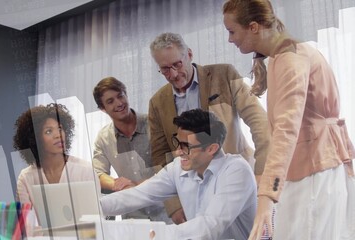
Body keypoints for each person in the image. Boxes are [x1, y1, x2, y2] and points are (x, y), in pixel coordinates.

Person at [222, 0, 355, 239]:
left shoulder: (290, 58)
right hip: (310, 166)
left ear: (253, 27)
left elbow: (286, 129)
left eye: (232, 31)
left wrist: (266, 195)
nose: (230, 39)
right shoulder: (281, 56)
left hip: (313, 167)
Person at [148, 32, 270, 224]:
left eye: (177, 64)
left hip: (236, 183)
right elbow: (159, 155)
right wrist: (173, 205)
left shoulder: (225, 75)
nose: (173, 74)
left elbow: (259, 122)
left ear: (189, 54)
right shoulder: (157, 102)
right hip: (194, 195)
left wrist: (263, 171)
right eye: (164, 69)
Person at [100, 109, 257, 239]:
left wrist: (157, 234)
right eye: (178, 143)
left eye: (186, 146)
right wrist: (96, 207)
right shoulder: (179, 168)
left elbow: (210, 225)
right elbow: (138, 194)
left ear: (211, 148)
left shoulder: (236, 171)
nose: (178, 151)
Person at [92, 77, 170, 223]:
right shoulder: (103, 138)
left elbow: (171, 166)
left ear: (126, 94)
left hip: (167, 213)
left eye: (120, 96)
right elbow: (97, 173)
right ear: (103, 109)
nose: (119, 103)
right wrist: (116, 183)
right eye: (110, 101)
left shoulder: (155, 124)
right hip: (133, 218)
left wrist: (136, 187)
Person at [14, 103, 96, 204]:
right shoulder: (26, 177)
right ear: (35, 139)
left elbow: (95, 215)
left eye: (60, 129)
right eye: (49, 131)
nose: (58, 135)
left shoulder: (85, 170)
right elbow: (26, 218)